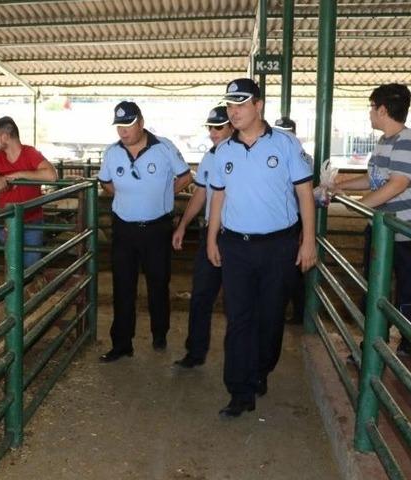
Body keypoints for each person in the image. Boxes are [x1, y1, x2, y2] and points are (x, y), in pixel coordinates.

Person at [206, 78, 317, 417]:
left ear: (258, 105)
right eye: (229, 105)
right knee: (238, 319)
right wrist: (211, 238)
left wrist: (308, 240)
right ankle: (239, 390)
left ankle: (261, 369)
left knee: (270, 318)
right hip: (236, 246)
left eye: (240, 104)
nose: (233, 111)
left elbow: (304, 193)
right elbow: (219, 198)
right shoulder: (223, 151)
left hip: (278, 246)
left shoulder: (285, 145)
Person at [334, 83, 411, 357]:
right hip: (381, 229)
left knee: (408, 289)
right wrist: (340, 188)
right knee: (374, 285)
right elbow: (374, 179)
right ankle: (374, 343)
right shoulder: (384, 142)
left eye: (371, 107)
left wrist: (362, 207)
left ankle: (409, 341)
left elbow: (397, 184)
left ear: (383, 109)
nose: (369, 113)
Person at [98, 101, 192, 363]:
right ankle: (122, 343)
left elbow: (185, 177)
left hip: (156, 229)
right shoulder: (112, 152)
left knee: (158, 284)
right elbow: (106, 183)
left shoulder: (164, 147)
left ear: (140, 122)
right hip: (124, 228)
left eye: (128, 126)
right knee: (122, 286)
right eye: (119, 127)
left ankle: (159, 333)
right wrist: (129, 197)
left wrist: (163, 194)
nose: (123, 132)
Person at [171, 106, 234, 368]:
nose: (213, 133)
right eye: (211, 127)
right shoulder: (210, 157)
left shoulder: (244, 156)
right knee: (201, 296)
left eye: (219, 127)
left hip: (236, 235)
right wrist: (184, 224)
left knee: (236, 302)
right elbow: (200, 194)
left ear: (233, 126)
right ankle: (195, 352)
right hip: (212, 232)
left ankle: (238, 360)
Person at [0, 116, 58, 267]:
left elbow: (52, 175)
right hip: (8, 221)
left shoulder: (29, 153)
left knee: (30, 266)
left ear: (5, 136)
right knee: (13, 265)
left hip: (32, 220)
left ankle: (28, 289)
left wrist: (21, 174)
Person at [275, 117, 307, 325]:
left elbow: (305, 193)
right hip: (283, 220)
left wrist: (306, 231)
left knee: (295, 269)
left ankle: (298, 312)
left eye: (288, 131)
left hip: (296, 220)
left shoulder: (302, 157)